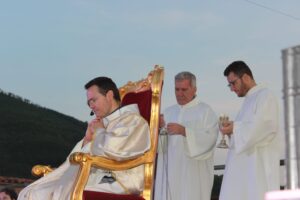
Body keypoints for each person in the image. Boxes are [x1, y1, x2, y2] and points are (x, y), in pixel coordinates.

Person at [18, 77, 150, 200]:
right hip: (96, 173)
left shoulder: (132, 121)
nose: (91, 106)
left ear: (109, 95)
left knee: (59, 192)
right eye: (89, 103)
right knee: (35, 191)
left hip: (120, 179)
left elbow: (115, 150)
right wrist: (87, 139)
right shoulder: (103, 123)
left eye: (94, 100)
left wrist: (98, 131)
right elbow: (78, 156)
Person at [219, 61, 280, 200]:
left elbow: (265, 127)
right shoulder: (248, 101)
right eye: (229, 84)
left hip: (258, 170)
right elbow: (243, 134)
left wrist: (235, 127)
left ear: (245, 77)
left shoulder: (266, 96)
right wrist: (231, 131)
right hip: (244, 172)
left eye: (233, 83)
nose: (232, 89)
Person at [154, 71, 219, 200]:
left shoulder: (205, 111)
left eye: (184, 89)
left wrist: (184, 131)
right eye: (176, 89)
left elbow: (210, 139)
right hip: (170, 173)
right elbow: (160, 148)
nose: (179, 93)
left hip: (193, 174)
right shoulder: (168, 112)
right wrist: (159, 128)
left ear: (194, 89)